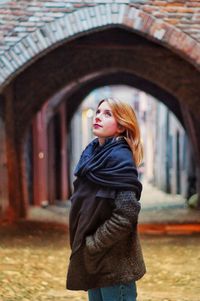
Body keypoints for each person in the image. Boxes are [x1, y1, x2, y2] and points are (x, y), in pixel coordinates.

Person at [66, 98, 146, 301]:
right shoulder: (91, 157)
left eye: (108, 114)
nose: (98, 116)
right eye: (98, 111)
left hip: (115, 266)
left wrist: (93, 243)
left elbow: (126, 214)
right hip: (94, 263)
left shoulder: (120, 159)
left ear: (121, 126)